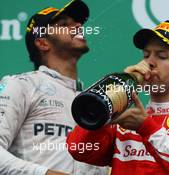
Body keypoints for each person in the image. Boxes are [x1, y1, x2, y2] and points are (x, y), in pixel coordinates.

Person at [66, 20, 169, 175]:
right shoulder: (123, 120)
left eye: (161, 56)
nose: (150, 62)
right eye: (146, 55)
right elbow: (78, 149)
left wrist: (147, 128)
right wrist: (112, 96)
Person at [0, 0, 108, 174]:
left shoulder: (94, 101)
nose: (79, 25)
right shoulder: (20, 85)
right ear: (43, 43)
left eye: (78, 22)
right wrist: (46, 173)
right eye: (64, 24)